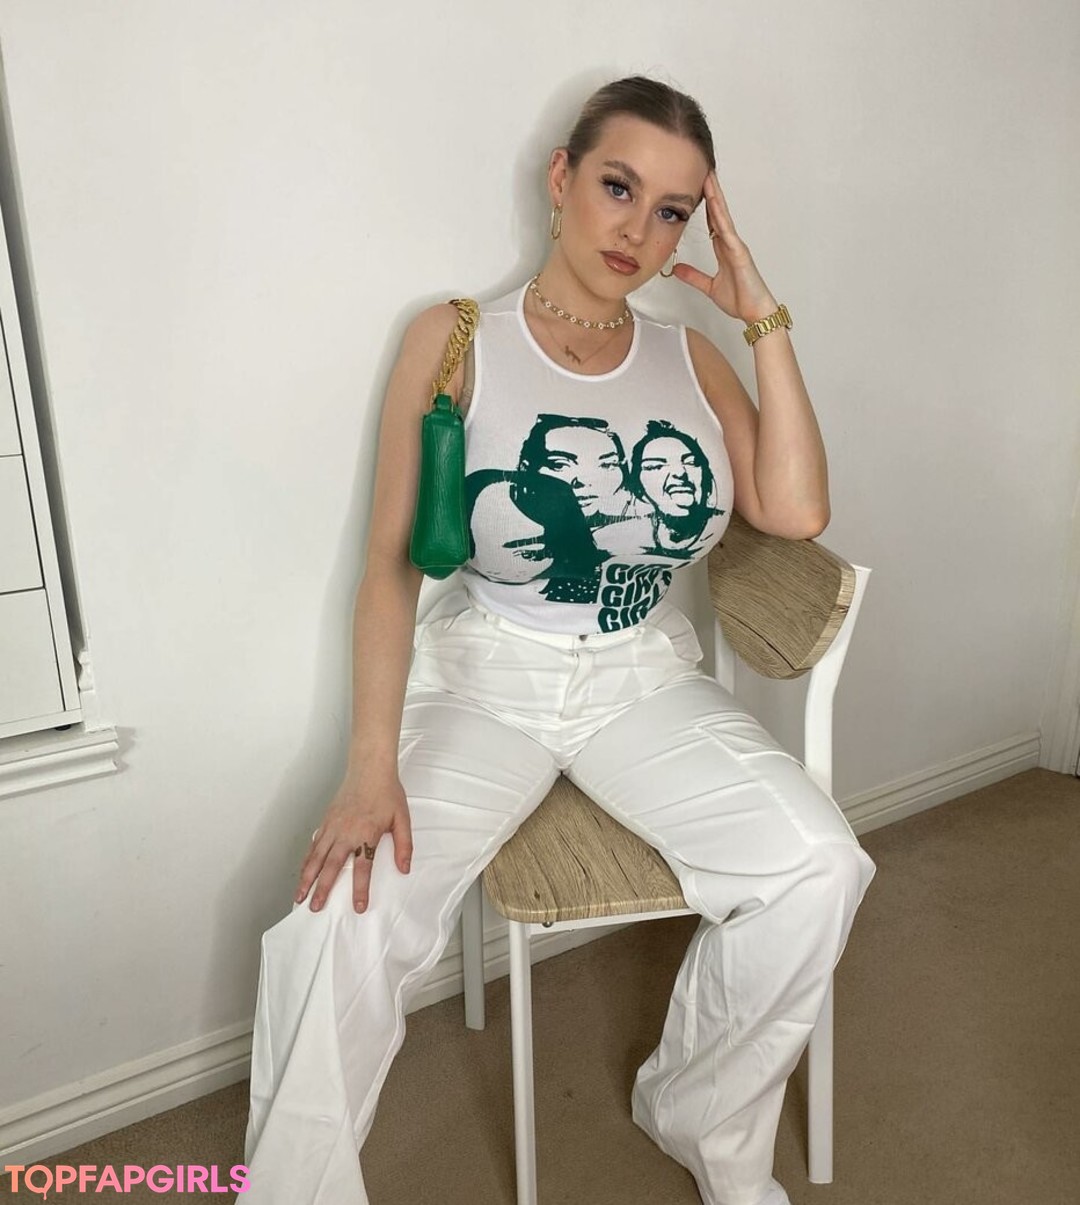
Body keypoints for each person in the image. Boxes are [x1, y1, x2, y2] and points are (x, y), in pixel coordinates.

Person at [240, 75, 876, 1205]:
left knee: (820, 866)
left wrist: (759, 316)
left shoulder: (690, 360)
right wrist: (370, 765)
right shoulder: (456, 337)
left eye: (673, 211)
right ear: (561, 177)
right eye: (618, 187)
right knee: (342, 912)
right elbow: (389, 564)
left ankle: (699, 1115)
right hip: (488, 674)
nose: (638, 230)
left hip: (641, 680)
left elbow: (796, 509)